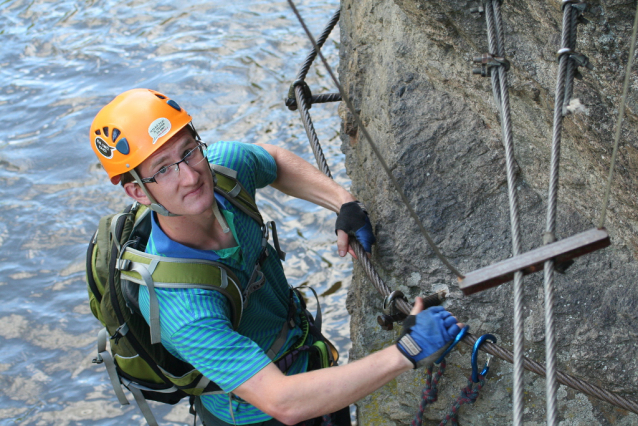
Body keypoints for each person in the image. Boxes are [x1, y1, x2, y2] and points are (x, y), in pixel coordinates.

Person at [89, 88, 462, 426]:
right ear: (138, 192)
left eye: (188, 151)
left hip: (308, 356)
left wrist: (342, 202)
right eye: (164, 169)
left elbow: (274, 161)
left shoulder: (223, 172)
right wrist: (406, 352)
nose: (189, 176)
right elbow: (281, 400)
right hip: (255, 414)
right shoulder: (182, 306)